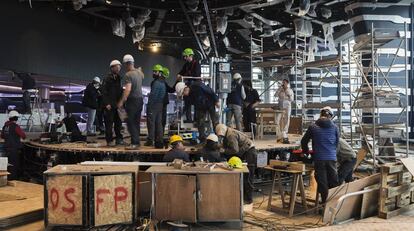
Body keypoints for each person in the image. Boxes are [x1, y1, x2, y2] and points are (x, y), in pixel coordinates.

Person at [301, 106, 339, 205]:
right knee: (334, 183)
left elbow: (304, 141)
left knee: (322, 183)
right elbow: (336, 144)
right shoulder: (335, 127)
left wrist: (306, 152)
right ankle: (334, 206)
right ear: (330, 116)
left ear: (320, 114)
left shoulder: (313, 127)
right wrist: (331, 152)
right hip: (331, 158)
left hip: (319, 159)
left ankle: (324, 206)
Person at [215, 124, 257, 204]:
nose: (221, 137)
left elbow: (235, 150)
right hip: (245, 152)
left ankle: (248, 199)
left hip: (249, 152)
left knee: (248, 177)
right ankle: (244, 197)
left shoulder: (231, 135)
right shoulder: (228, 132)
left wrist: (223, 151)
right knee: (245, 177)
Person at [117, 54, 144, 150]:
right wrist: (139, 70)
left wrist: (122, 101)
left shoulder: (128, 75)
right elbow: (142, 74)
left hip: (132, 100)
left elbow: (128, 89)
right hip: (140, 100)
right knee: (136, 122)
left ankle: (134, 143)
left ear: (127, 64)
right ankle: (136, 142)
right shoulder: (139, 73)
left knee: (130, 122)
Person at [102, 60, 124, 147]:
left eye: (119, 67)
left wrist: (121, 103)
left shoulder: (119, 78)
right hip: (110, 105)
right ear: (112, 68)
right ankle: (109, 140)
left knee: (118, 123)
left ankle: (119, 139)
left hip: (117, 105)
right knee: (109, 124)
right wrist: (107, 103)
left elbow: (120, 91)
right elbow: (103, 92)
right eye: (116, 67)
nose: (118, 68)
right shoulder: (107, 79)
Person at [177, 48, 201, 122]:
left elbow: (196, 74)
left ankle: (196, 119)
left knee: (196, 103)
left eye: (186, 56)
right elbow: (182, 72)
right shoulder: (186, 64)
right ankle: (189, 119)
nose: (185, 58)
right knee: (187, 102)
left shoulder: (196, 64)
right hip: (188, 85)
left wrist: (186, 75)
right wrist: (179, 75)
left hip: (195, 86)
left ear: (190, 56)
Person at [146, 64, 166, 149]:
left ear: (160, 73)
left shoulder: (156, 83)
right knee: (159, 124)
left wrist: (149, 105)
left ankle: (150, 140)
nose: (154, 73)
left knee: (151, 123)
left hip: (153, 105)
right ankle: (159, 140)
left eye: (155, 71)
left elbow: (153, 95)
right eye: (153, 71)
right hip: (160, 105)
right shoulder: (163, 83)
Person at [1, 111, 26, 180]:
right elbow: (23, 136)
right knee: (14, 165)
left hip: (6, 148)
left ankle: (6, 178)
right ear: (16, 118)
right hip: (14, 149)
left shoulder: (5, 126)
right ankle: (13, 179)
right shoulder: (15, 126)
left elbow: (2, 136)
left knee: (7, 164)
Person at [276, 78, 294, 144]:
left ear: (287, 83)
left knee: (287, 118)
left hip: (287, 106)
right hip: (280, 106)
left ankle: (285, 131)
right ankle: (278, 131)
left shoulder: (290, 90)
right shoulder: (280, 89)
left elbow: (292, 99)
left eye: (284, 82)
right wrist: (279, 90)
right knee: (278, 118)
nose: (283, 84)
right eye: (282, 82)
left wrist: (288, 94)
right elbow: (275, 95)